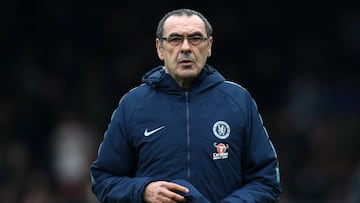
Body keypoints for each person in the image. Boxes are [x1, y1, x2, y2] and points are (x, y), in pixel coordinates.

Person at [90, 8, 282, 203]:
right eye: (175, 39)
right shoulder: (133, 104)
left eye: (195, 38)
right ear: (159, 48)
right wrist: (142, 191)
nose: (185, 48)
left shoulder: (238, 100)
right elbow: (103, 179)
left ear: (209, 46)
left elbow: (266, 181)